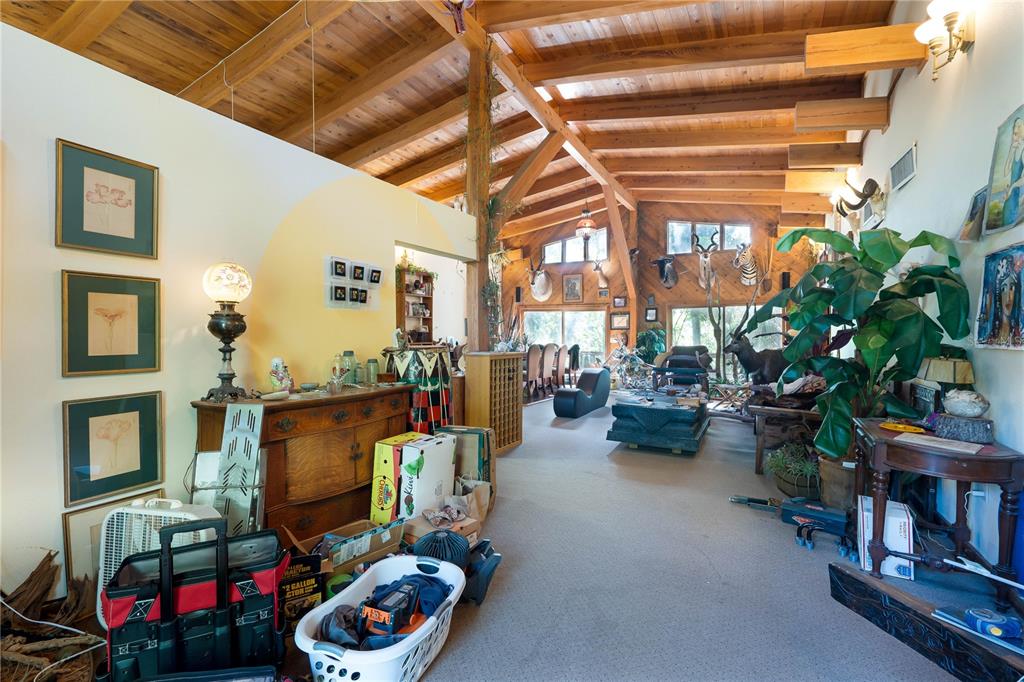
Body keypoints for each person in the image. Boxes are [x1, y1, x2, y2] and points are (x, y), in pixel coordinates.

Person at [1001, 117, 1024, 227]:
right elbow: (1005, 172)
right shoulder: (1015, 148)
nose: (1016, 129)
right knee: (1005, 221)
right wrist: (1011, 149)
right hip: (1008, 197)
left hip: (1013, 196)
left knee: (1009, 222)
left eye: (1019, 126)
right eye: (1015, 126)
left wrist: (1012, 187)